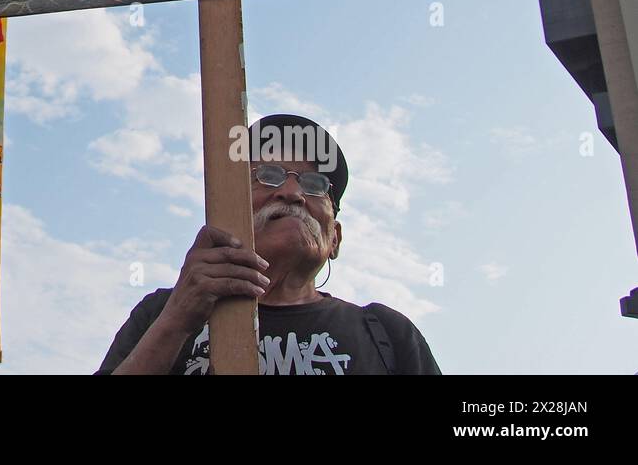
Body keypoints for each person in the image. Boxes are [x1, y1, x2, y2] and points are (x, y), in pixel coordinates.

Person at [98, 114, 441, 375]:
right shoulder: (163, 312)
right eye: (268, 175)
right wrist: (176, 320)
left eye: (315, 184)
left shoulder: (387, 333)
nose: (291, 193)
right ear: (229, 209)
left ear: (334, 237)